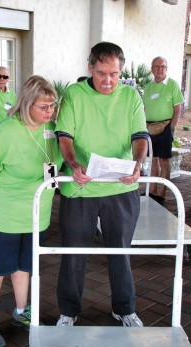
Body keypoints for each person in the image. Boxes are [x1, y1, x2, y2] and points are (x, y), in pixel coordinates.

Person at [55, 41, 149, 327]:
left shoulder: (131, 96)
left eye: (114, 74)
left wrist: (138, 163)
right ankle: (68, 312)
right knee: (74, 252)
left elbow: (140, 137)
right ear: (90, 67)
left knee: (120, 252)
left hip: (120, 188)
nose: (108, 81)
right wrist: (73, 164)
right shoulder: (73, 94)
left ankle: (124, 308)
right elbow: (65, 137)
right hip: (80, 186)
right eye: (101, 73)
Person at [0, 75, 62, 347]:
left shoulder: (51, 129)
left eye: (53, 105)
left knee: (25, 265)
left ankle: (20, 311)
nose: (50, 111)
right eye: (44, 106)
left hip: (37, 214)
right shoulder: (5, 132)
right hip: (7, 215)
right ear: (27, 104)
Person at [143, 57, 184, 205]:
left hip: (165, 127)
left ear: (166, 69)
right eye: (157, 66)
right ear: (152, 69)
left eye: (163, 66)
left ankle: (162, 194)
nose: (160, 69)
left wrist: (171, 128)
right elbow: (144, 108)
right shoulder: (148, 87)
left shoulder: (172, 85)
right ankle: (152, 191)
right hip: (149, 128)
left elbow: (178, 108)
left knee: (164, 160)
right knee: (153, 160)